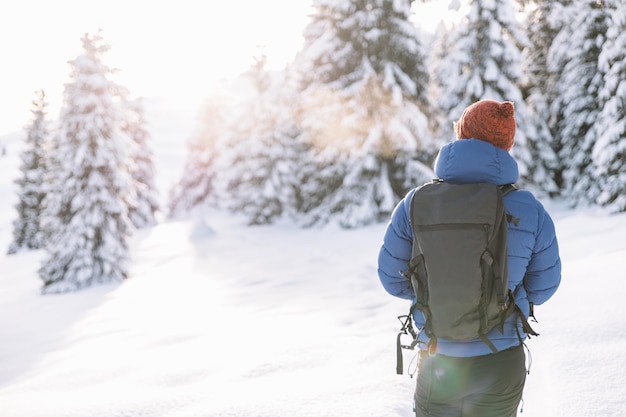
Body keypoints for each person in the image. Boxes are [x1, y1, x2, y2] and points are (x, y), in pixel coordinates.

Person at [377, 99, 562, 417]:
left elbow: (392, 279)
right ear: (507, 144)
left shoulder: (416, 203)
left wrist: (438, 296)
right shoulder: (528, 208)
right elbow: (545, 285)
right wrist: (502, 300)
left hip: (439, 358)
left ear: (461, 134)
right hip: (500, 358)